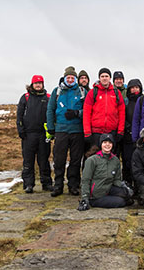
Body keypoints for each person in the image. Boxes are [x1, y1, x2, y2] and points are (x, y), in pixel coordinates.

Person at [47, 66, 86, 197]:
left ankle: (73, 185)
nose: (70, 80)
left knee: (75, 160)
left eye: (72, 78)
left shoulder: (81, 91)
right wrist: (51, 127)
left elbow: (88, 110)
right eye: (68, 78)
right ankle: (58, 185)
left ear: (76, 79)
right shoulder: (56, 91)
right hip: (61, 130)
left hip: (77, 130)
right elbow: (50, 109)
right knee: (59, 159)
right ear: (64, 78)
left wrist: (77, 113)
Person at [16, 75, 53, 193]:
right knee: (28, 160)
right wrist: (20, 129)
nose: (38, 85)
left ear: (43, 84)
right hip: (28, 135)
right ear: (32, 85)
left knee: (44, 160)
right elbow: (19, 115)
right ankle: (28, 184)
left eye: (40, 83)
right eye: (36, 83)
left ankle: (46, 183)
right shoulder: (25, 97)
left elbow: (53, 114)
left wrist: (52, 130)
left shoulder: (48, 97)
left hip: (43, 135)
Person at [77, 133, 133, 210]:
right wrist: (85, 198)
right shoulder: (92, 160)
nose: (107, 145)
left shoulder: (115, 160)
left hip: (108, 188)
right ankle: (94, 201)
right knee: (121, 202)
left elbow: (116, 179)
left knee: (127, 195)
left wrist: (124, 186)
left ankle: (112, 198)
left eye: (110, 143)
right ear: (101, 144)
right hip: (96, 194)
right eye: (105, 142)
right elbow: (85, 180)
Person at [83, 68, 125, 149]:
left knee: (110, 158)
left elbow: (122, 113)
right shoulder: (92, 93)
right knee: (95, 157)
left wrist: (120, 131)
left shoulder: (116, 93)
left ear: (110, 78)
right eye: (102, 76)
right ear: (99, 78)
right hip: (96, 132)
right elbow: (86, 113)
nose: (104, 78)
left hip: (112, 132)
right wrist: (87, 132)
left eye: (106, 76)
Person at [121, 78, 143, 185]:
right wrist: (127, 126)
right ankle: (127, 184)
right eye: (132, 88)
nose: (134, 90)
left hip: (140, 137)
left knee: (139, 163)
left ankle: (139, 186)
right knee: (127, 161)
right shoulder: (126, 102)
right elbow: (121, 116)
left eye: (136, 87)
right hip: (128, 136)